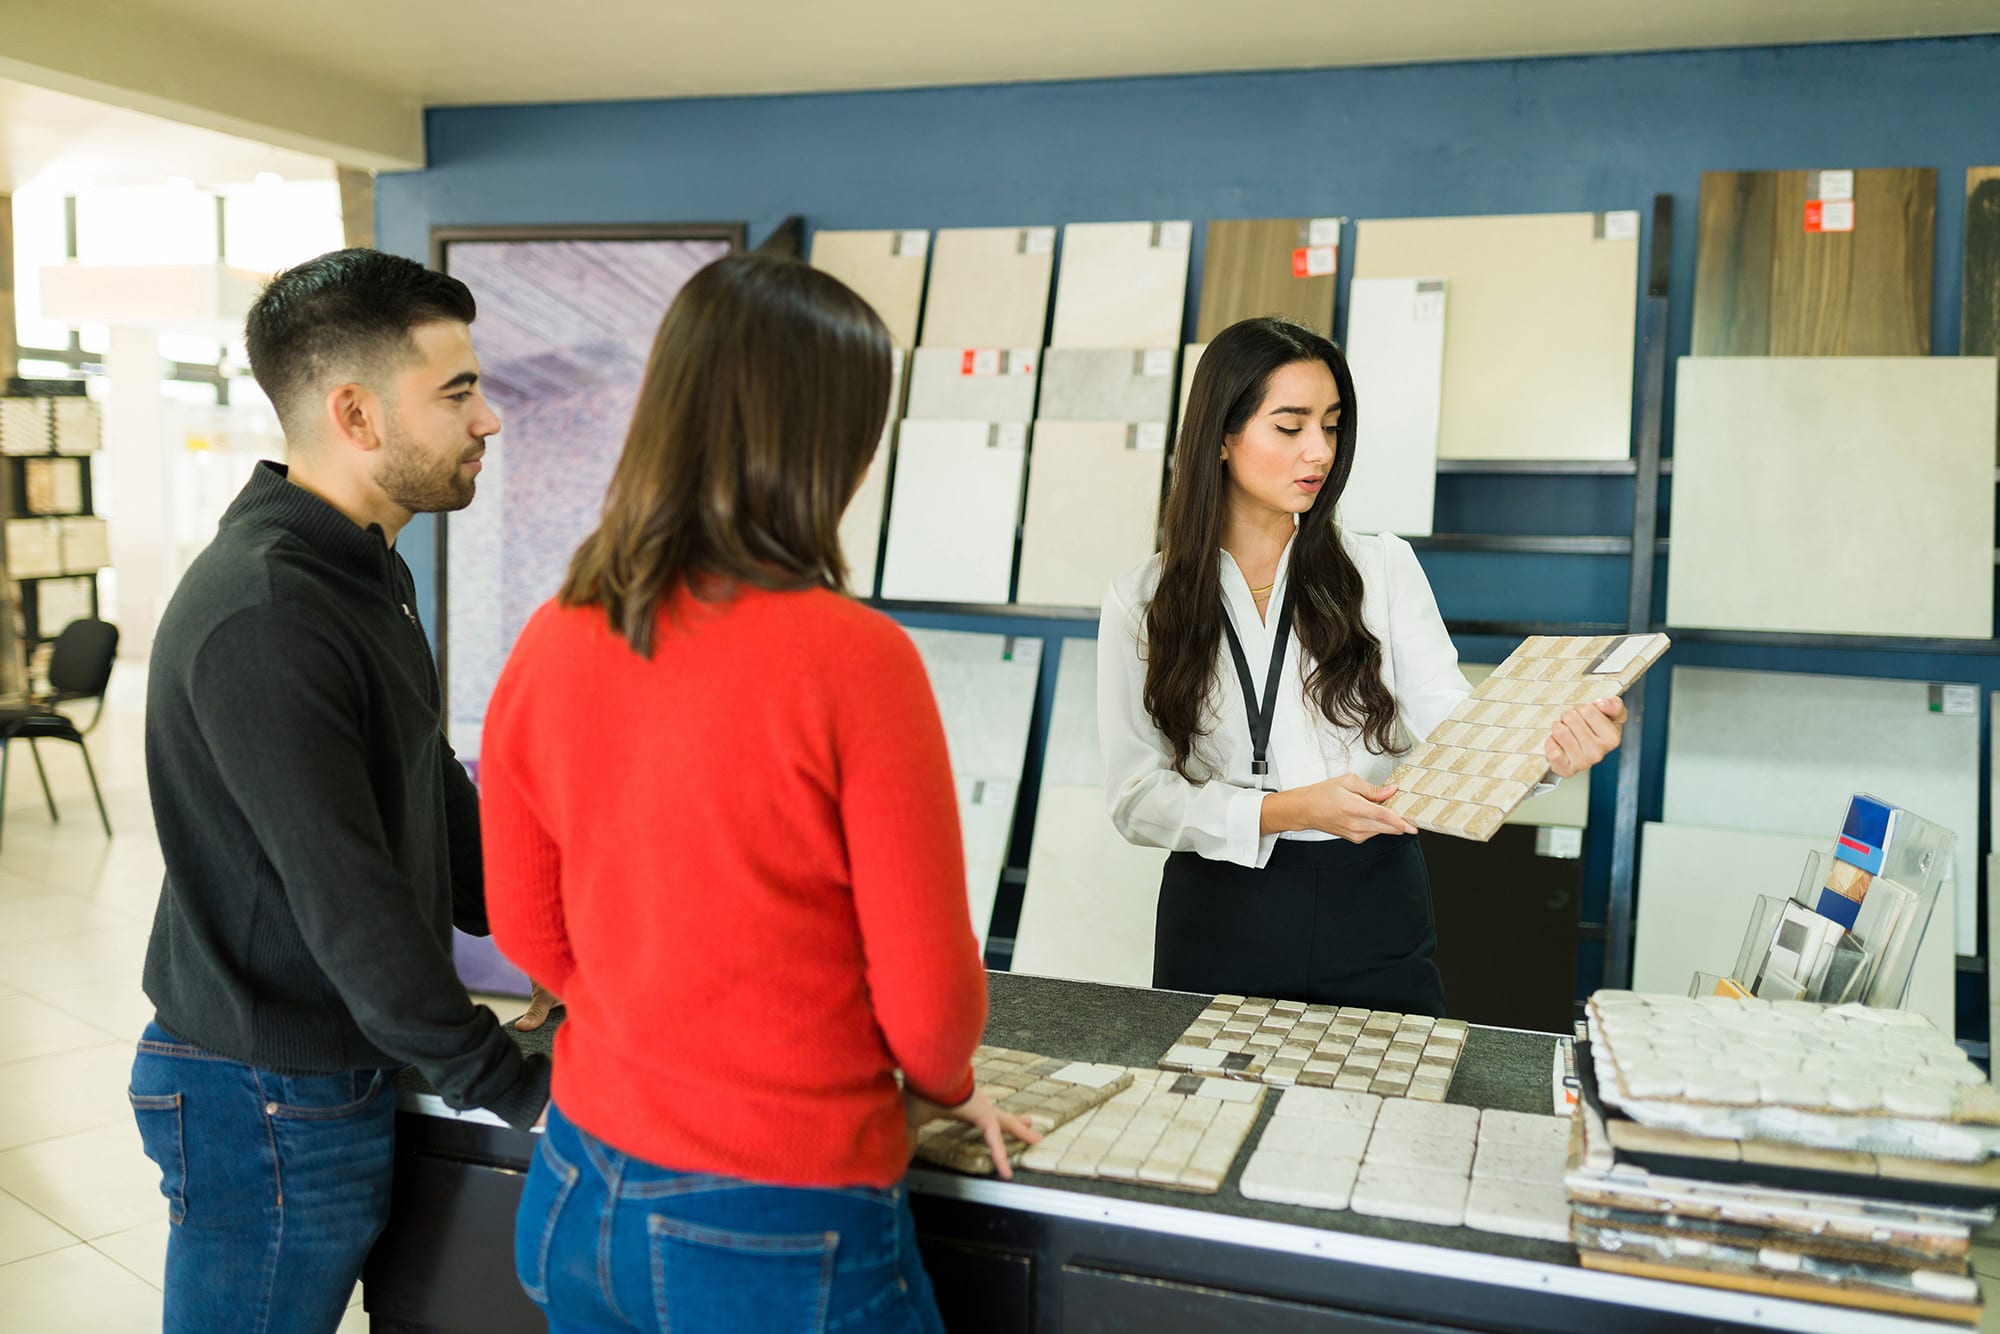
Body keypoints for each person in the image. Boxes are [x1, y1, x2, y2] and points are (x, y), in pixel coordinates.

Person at [479, 252, 1030, 1334]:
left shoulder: (553, 634)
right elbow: (927, 1005)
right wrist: (948, 1081)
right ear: (827, 444)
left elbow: (530, 931)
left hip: (577, 1186)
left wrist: (658, 1029)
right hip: (775, 1220)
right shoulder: (854, 658)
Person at [132, 248, 551, 1334]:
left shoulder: (364, 569)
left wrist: (567, 945)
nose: (487, 419)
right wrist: (515, 1088)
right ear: (356, 413)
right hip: (265, 1091)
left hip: (328, 1068)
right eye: (456, 392)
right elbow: (346, 894)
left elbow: (429, 796)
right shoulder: (269, 609)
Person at [1099, 316, 1625, 1015]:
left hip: (1374, 905)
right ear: (1222, 438)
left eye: (1332, 424)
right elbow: (1136, 798)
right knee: (1217, 1115)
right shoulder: (1143, 598)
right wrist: (1285, 811)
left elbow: (1453, 729)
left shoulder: (1380, 567)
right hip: (1220, 912)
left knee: (1396, 1114)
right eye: (1290, 427)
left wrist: (1551, 754)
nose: (1318, 450)